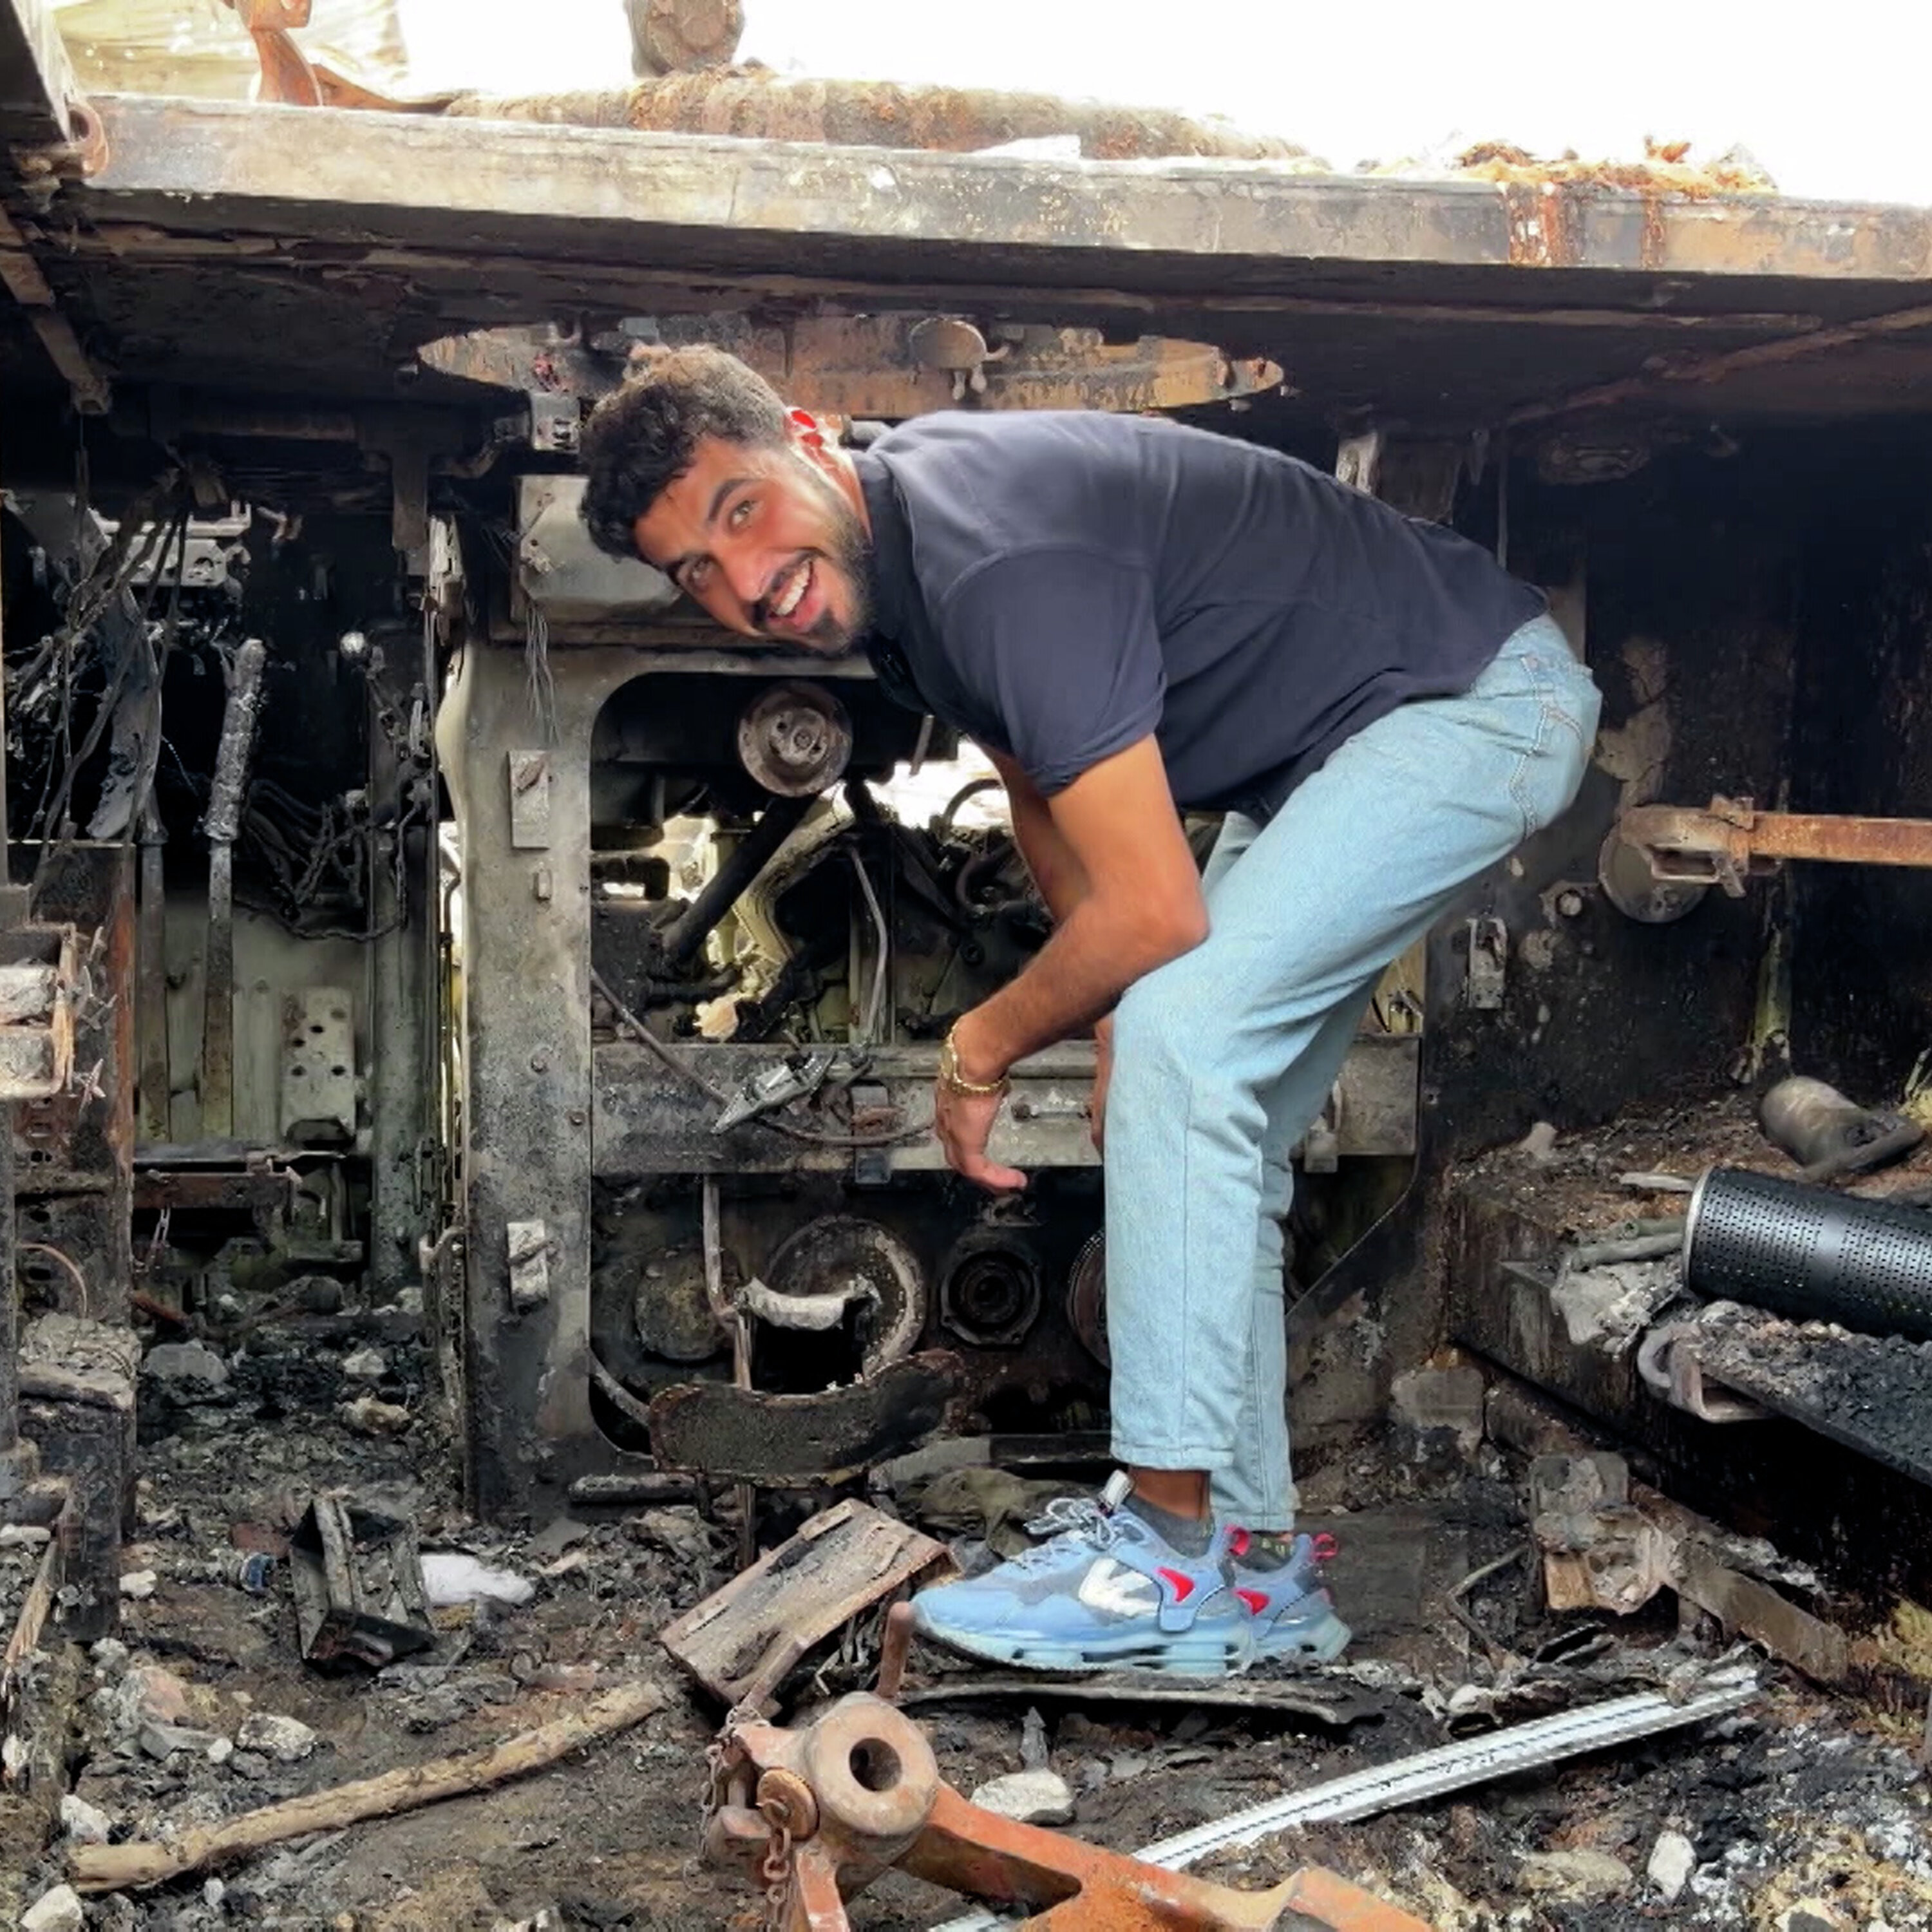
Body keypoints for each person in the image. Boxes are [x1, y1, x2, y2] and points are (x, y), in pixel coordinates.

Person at [578, 347, 1600, 1677]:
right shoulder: (900, 572)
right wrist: (1103, 990)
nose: (741, 582)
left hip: (1469, 712)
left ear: (811, 443)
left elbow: (1160, 912)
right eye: (694, 573)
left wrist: (982, 1044)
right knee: (1184, 1098)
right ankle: (1250, 1568)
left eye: (738, 512)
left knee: (1182, 1047)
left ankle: (1168, 1564)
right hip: (1346, 752)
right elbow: (1035, 782)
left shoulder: (995, 556)